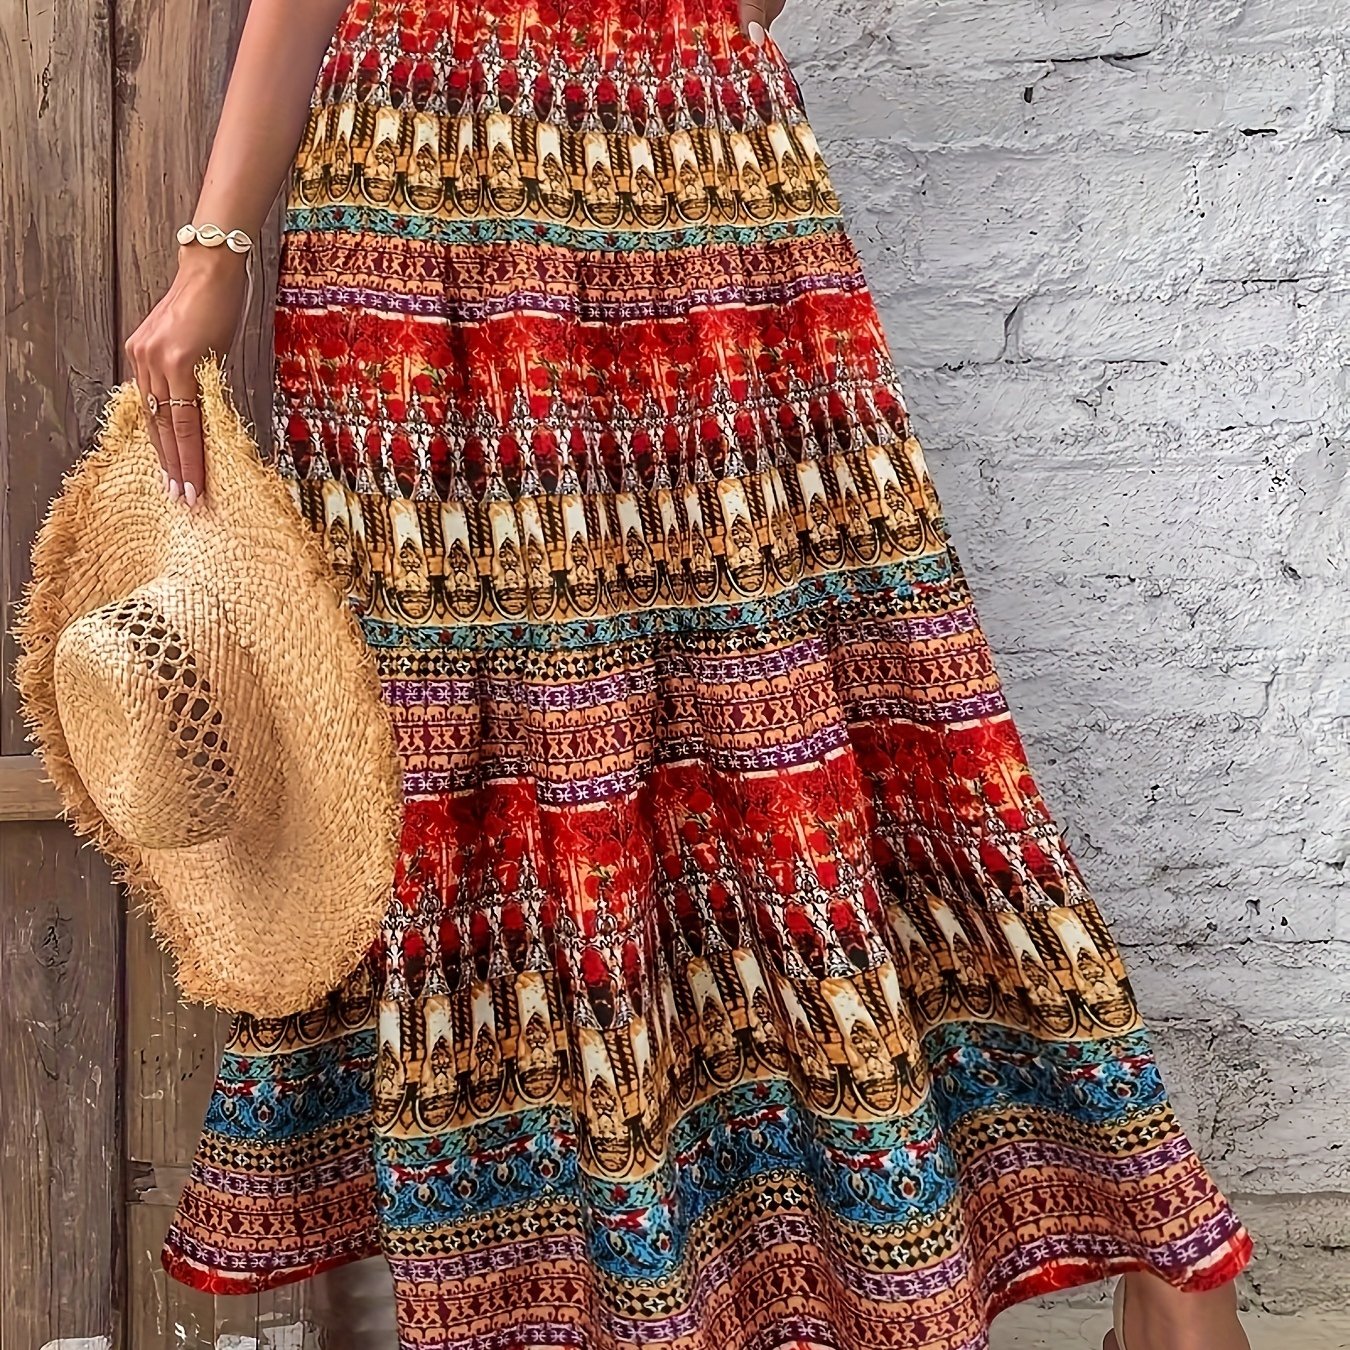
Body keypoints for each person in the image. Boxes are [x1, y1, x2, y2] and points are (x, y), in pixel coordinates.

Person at [124, 0, 1255, 1346]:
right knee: (746, 690)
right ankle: (685, 1278)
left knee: (806, 684)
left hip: (481, 154)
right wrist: (215, 248)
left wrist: (216, 245)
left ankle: (1124, 1236)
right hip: (639, 147)